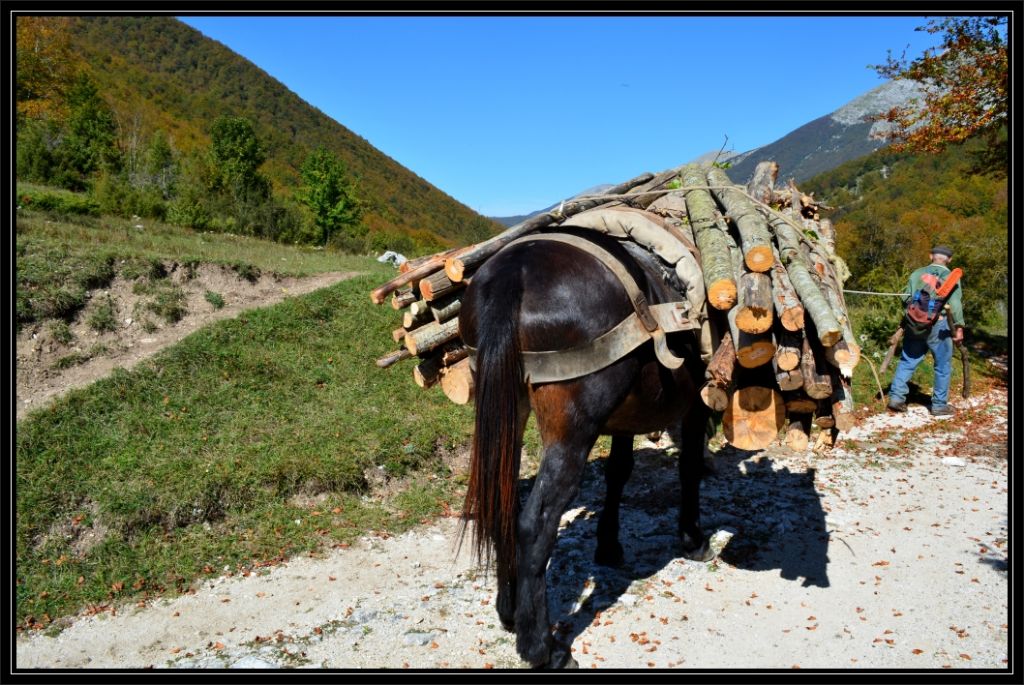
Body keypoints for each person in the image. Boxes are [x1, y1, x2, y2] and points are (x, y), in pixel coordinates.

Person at [887, 245, 965, 416]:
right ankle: (938, 406)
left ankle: (896, 399)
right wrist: (959, 327)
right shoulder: (951, 277)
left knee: (908, 360)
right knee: (942, 365)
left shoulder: (916, 273)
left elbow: (905, 299)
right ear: (949, 259)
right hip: (940, 324)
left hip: (914, 323)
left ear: (931, 257)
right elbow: (956, 304)